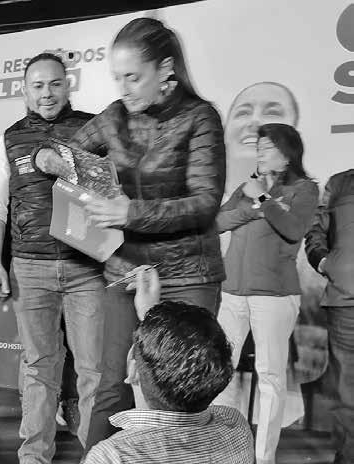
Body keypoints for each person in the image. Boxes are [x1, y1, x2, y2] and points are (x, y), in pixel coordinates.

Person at [35, 18, 225, 450]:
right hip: (126, 271)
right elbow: (55, 151)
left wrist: (129, 212)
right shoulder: (114, 116)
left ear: (166, 69)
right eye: (117, 78)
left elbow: (204, 202)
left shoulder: (200, 118)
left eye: (133, 77)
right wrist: (53, 160)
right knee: (109, 385)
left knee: (183, 392)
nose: (123, 89)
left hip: (188, 275)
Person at [0, 52, 107, 464]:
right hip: (29, 268)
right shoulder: (9, 139)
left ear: (67, 86)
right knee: (38, 366)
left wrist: (66, 164)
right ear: (25, 91)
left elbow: (109, 183)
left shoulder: (92, 128)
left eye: (54, 84)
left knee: (93, 370)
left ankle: (96, 456)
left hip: (86, 268)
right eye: (37, 86)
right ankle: (34, 455)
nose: (47, 93)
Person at [213, 123, 318, 464]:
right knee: (220, 371)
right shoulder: (248, 186)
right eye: (258, 146)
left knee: (270, 377)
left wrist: (262, 198)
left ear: (287, 154)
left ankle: (264, 457)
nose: (259, 151)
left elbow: (293, 229)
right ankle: (227, 450)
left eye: (268, 146)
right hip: (232, 292)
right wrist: (254, 204)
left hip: (274, 296)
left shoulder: (304, 189)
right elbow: (218, 222)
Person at [84, 267, 255, 464]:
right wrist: (149, 315)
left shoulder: (113, 455)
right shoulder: (236, 428)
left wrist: (151, 318)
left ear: (133, 371)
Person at [305, 168, 354, 464]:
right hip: (345, 302)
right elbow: (316, 229)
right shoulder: (340, 183)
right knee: (347, 389)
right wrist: (323, 261)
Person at [224, 82, 299, 192]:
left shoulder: (304, 188)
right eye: (243, 113)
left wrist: (259, 193)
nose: (254, 121)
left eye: (272, 112)